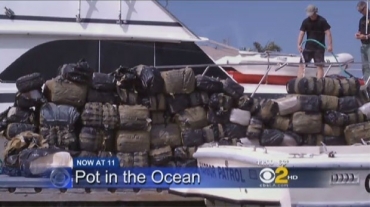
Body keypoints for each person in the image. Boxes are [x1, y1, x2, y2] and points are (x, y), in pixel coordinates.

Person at [297, 5, 333, 78]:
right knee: (302, 64)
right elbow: (301, 33)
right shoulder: (305, 21)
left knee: (319, 66)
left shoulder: (322, 21)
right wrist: (299, 44)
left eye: (312, 14)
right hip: (308, 47)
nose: (311, 16)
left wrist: (330, 45)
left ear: (315, 12)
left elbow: (328, 33)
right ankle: (299, 81)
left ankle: (319, 83)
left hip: (319, 48)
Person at [356, 1, 370, 82]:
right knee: (365, 66)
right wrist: (358, 34)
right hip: (363, 45)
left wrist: (365, 36)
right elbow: (360, 30)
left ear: (365, 7)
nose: (361, 13)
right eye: (359, 11)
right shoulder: (361, 20)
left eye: (361, 10)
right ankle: (367, 83)